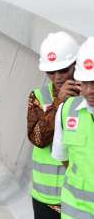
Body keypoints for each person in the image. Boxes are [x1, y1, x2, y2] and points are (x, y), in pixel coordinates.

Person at [28, 32, 79, 218]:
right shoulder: (38, 97)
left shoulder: (88, 99)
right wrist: (58, 104)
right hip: (46, 197)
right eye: (51, 72)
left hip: (79, 197)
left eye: (63, 70)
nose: (57, 77)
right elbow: (38, 138)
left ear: (75, 64)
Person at [52, 37, 94, 219]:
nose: (90, 90)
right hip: (74, 212)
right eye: (84, 83)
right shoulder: (66, 111)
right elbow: (64, 158)